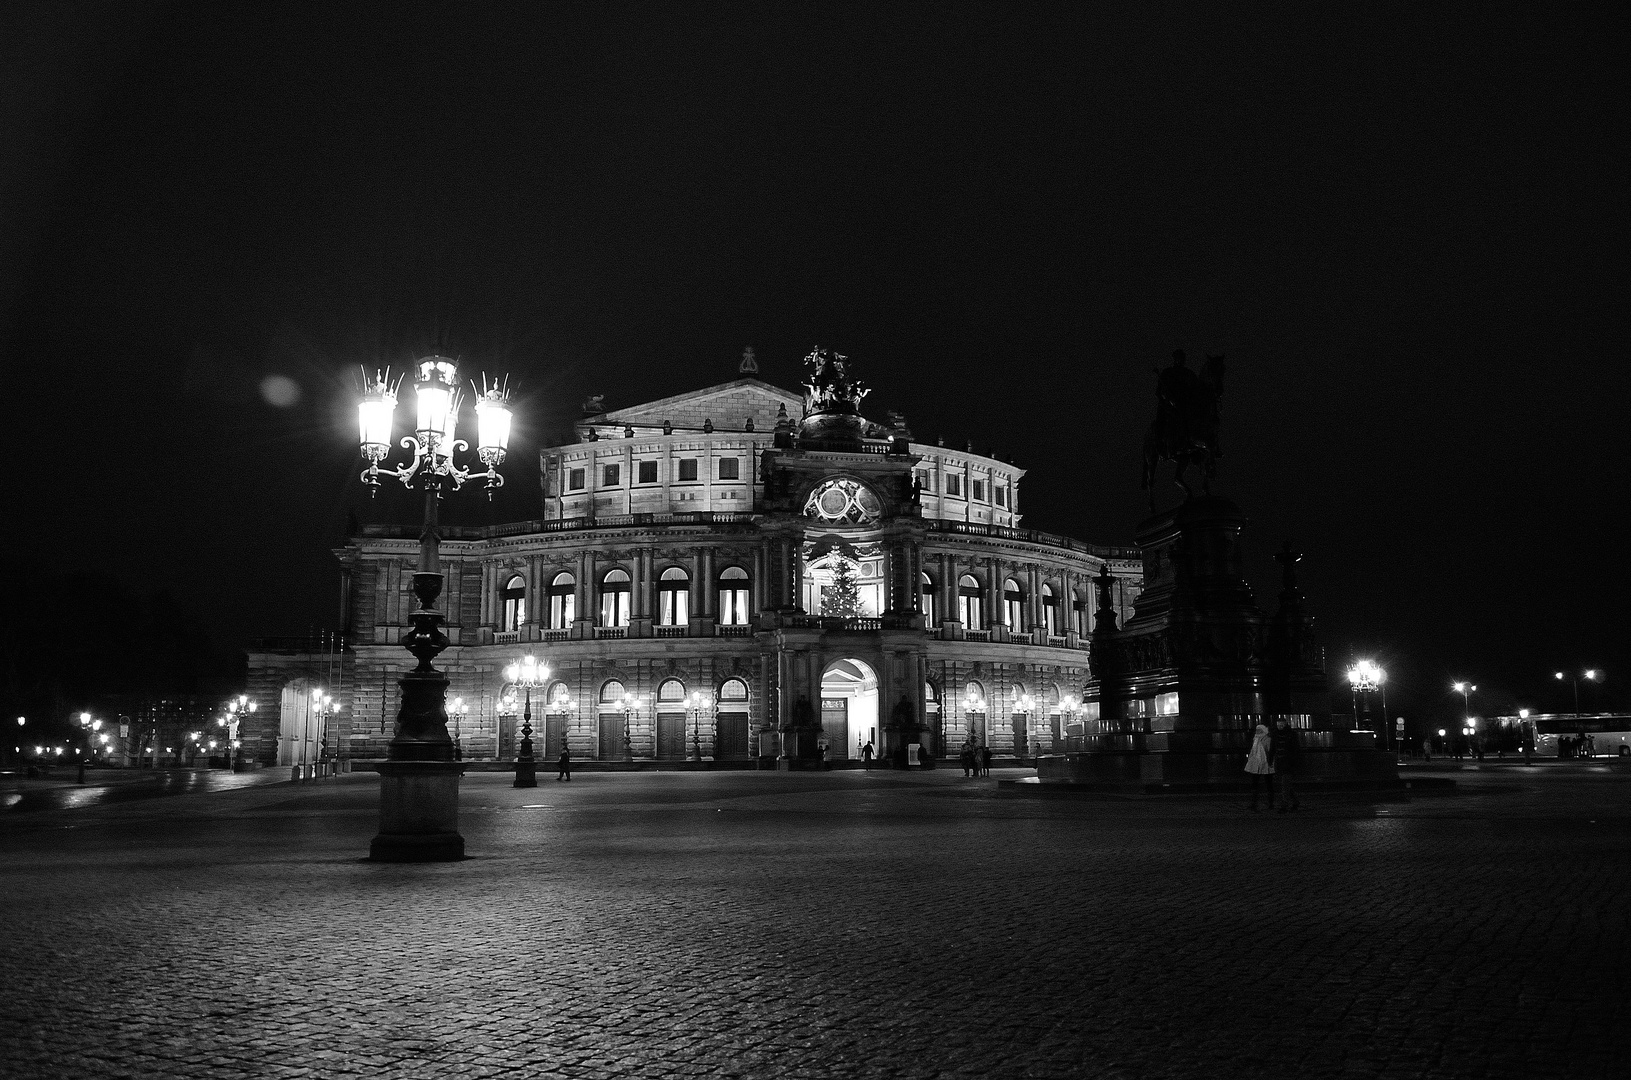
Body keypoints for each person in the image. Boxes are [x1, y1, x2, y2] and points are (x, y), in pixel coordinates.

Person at [1269, 718, 1301, 812]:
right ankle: (1295, 801)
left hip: (1288, 763)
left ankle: (1284, 805)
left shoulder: (1291, 735)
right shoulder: (1275, 735)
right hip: (1280, 763)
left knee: (1285, 785)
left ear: (1285, 724)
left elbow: (1296, 749)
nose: (1280, 727)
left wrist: (1295, 762)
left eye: (1281, 725)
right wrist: (1270, 760)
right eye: (1278, 725)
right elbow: (1273, 748)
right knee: (1286, 785)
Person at [1244, 722, 1274, 811]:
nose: (1257, 732)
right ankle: (1254, 803)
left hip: (1266, 764)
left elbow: (1270, 752)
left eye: (1259, 730)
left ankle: (1270, 804)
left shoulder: (1267, 739)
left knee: (1268, 784)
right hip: (1256, 764)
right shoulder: (1255, 739)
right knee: (1255, 784)